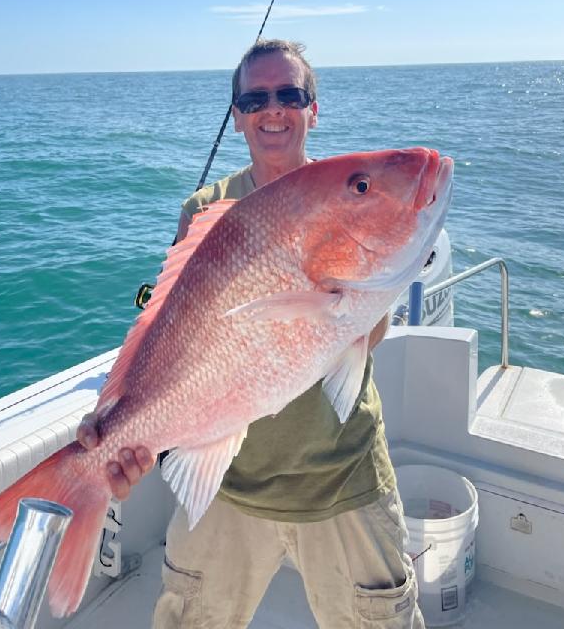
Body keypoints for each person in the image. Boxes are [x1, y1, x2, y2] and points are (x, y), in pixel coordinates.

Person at [78, 39, 424, 628]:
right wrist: (120, 417)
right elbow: (172, 332)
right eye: (256, 98)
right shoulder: (206, 209)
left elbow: (366, 337)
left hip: (341, 477)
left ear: (314, 108)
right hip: (227, 487)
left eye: (290, 94)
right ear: (236, 115)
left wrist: (359, 279)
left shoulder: (348, 194)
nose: (274, 109)